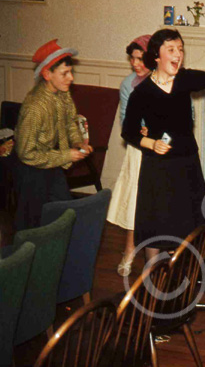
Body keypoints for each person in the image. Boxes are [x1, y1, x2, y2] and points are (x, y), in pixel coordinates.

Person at [121, 28, 205, 258]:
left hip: (187, 163)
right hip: (157, 167)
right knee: (157, 224)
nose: (178, 54)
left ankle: (187, 272)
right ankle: (152, 277)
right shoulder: (142, 92)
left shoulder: (184, 79)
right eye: (171, 49)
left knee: (190, 224)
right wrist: (151, 143)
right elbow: (128, 132)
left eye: (180, 49)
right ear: (157, 56)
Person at [14, 39, 93, 231]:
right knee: (32, 224)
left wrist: (78, 143)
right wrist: (66, 156)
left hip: (52, 164)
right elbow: (26, 153)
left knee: (63, 215)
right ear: (47, 74)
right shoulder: (35, 108)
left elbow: (70, 122)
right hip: (32, 172)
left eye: (71, 72)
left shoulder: (63, 94)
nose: (71, 78)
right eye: (65, 73)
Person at [106, 34, 151, 277]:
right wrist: (140, 130)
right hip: (138, 149)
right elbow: (125, 121)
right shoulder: (128, 85)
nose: (135, 64)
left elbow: (186, 119)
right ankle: (129, 250)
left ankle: (158, 254)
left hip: (164, 150)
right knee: (135, 201)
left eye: (140, 59)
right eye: (132, 59)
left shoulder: (168, 81)